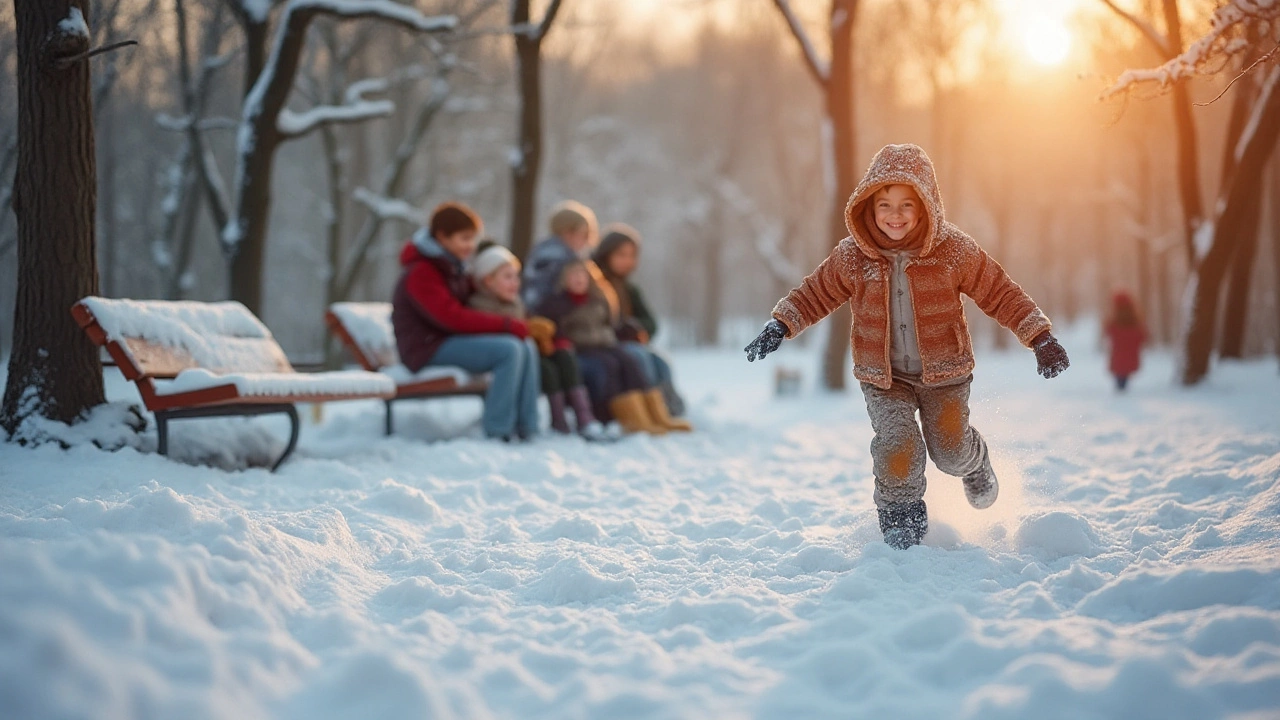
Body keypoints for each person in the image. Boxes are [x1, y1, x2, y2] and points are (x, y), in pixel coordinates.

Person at [744, 144, 1070, 549]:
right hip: (884, 379)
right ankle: (902, 526)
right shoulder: (853, 256)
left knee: (949, 449)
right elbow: (815, 293)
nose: (894, 216)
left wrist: (1039, 336)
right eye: (884, 204)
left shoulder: (953, 250)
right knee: (897, 444)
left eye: (906, 205)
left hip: (945, 374)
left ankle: (976, 461)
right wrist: (781, 323)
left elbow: (999, 292)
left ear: (926, 206)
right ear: (868, 205)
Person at [391, 202, 540, 441]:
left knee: (526, 346)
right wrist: (505, 324)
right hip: (426, 348)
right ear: (442, 236)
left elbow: (473, 299)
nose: (470, 246)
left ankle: (527, 427)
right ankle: (498, 430)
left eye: (473, 239)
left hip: (448, 341)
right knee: (509, 350)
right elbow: (451, 317)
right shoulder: (422, 272)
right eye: (464, 238)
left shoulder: (452, 267)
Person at [467, 241, 609, 440]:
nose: (515, 283)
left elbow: (531, 328)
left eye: (517, 277)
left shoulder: (516, 304)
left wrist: (550, 340)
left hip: (529, 352)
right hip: (505, 358)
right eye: (508, 277)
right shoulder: (480, 306)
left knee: (565, 356)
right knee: (548, 370)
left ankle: (583, 417)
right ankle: (552, 420)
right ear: (488, 281)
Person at [537, 260, 692, 435]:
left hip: (605, 343)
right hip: (581, 348)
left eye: (582, 275)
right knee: (609, 365)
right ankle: (624, 417)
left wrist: (627, 330)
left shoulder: (597, 299)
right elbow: (553, 330)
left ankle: (656, 416)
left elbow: (610, 324)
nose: (578, 279)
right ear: (564, 280)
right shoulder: (557, 304)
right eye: (573, 275)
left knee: (630, 361)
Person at [592, 224, 689, 418]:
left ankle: (666, 408)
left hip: (626, 343)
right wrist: (618, 331)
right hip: (602, 343)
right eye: (621, 255)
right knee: (639, 357)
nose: (627, 261)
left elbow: (650, 322)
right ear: (606, 253)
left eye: (631, 255)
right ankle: (644, 412)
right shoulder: (594, 283)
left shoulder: (628, 288)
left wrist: (637, 329)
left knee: (659, 361)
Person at [1105, 291, 1146, 392]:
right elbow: (1141, 334)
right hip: (1129, 348)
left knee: (1120, 368)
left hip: (1119, 348)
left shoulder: (1116, 317)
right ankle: (1123, 385)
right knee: (1125, 368)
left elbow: (1110, 330)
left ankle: (1121, 386)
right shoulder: (1134, 316)